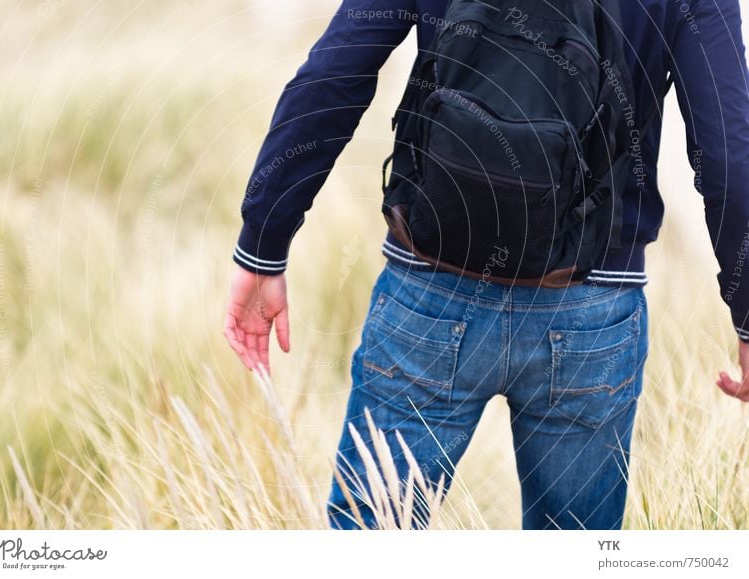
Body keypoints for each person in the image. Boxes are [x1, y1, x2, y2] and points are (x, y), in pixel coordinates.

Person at [224, 0, 749, 530]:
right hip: (591, 303)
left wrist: (263, 242)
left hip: (430, 290)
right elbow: (729, 156)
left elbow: (334, 74)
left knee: (369, 535)